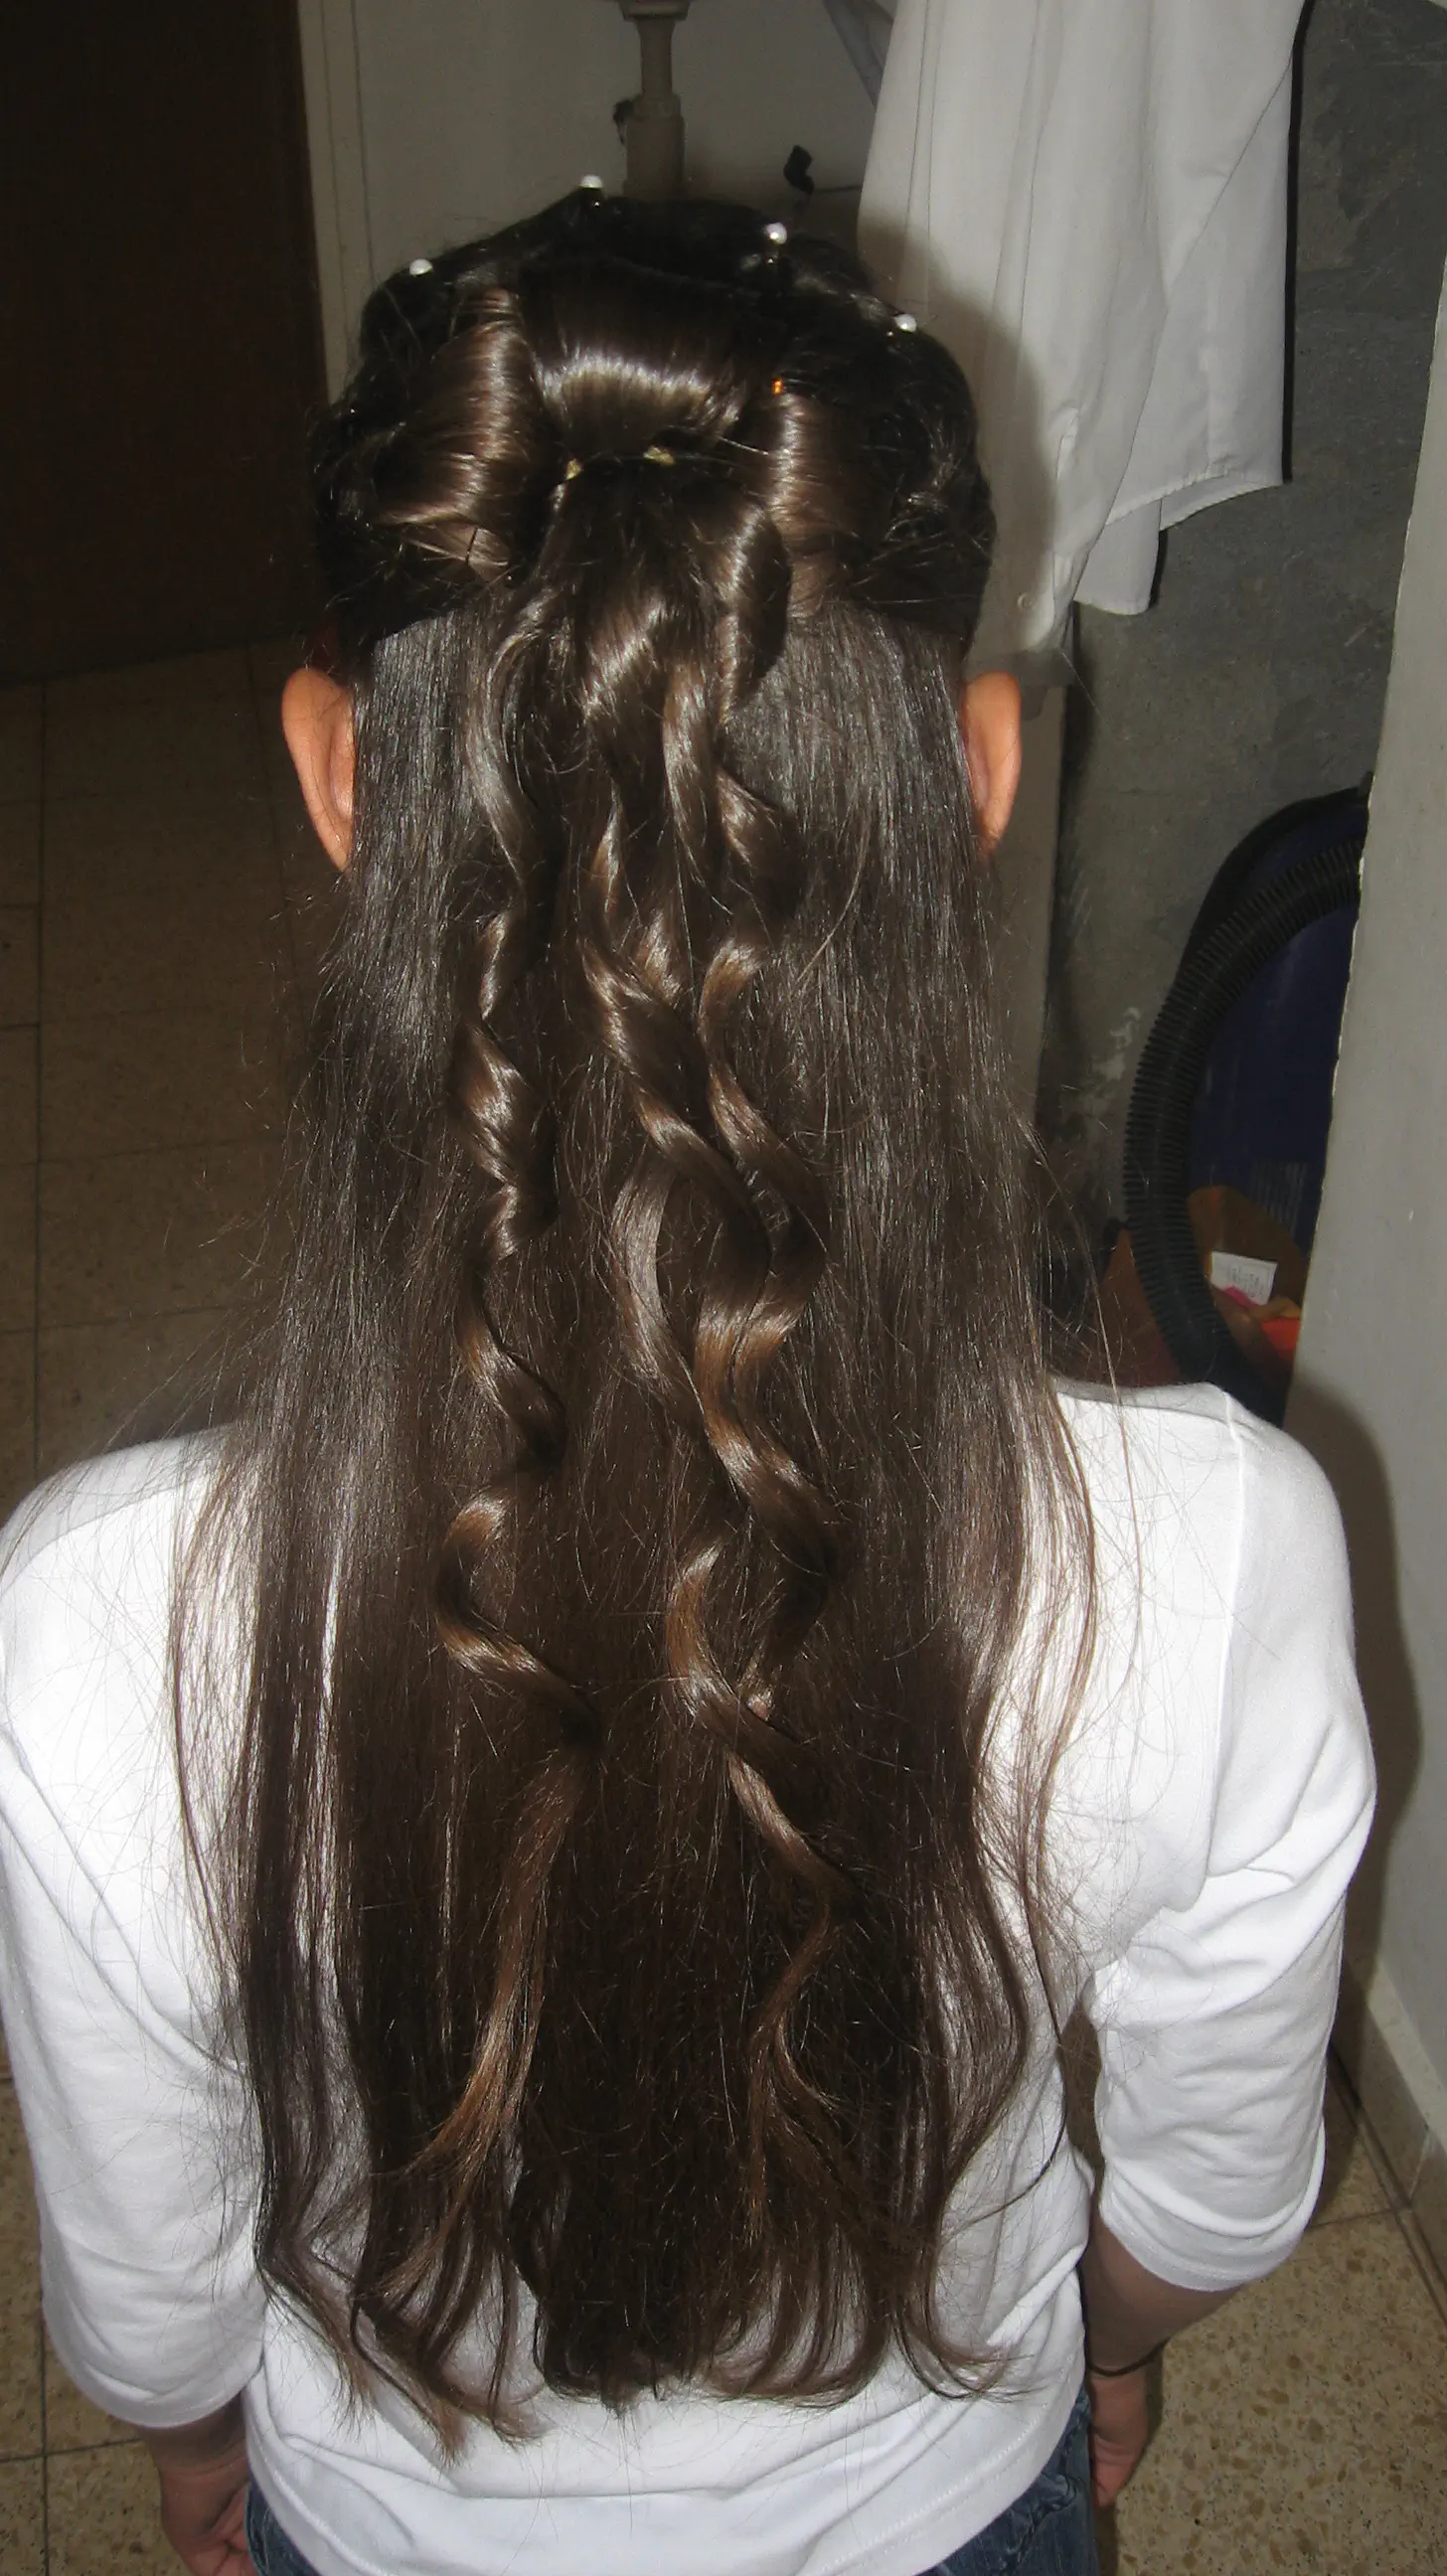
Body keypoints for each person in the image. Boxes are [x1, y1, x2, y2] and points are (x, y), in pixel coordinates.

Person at [0, 191, 1371, 2576]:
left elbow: (150, 2291)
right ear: (974, 776)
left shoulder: (98, 1629)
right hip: (949, 2498)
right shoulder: (1209, 1557)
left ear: (337, 777)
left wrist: (199, 2458)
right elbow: (1214, 2191)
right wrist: (1108, 2344)